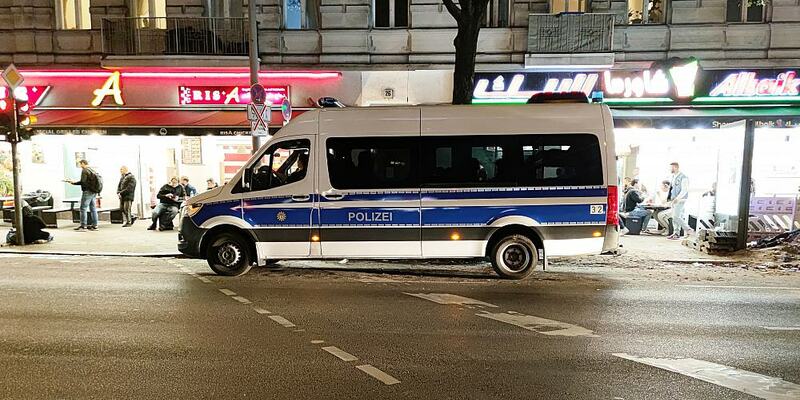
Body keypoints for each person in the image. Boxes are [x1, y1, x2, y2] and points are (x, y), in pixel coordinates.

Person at [66, 159, 101, 232]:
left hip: (87, 191)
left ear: (83, 163)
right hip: (94, 192)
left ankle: (83, 226)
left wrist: (73, 183)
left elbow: (83, 182)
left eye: (80, 164)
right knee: (93, 209)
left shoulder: (85, 170)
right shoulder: (92, 170)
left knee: (83, 208)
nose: (80, 166)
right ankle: (95, 226)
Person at [667, 162, 692, 240]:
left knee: (676, 216)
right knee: (674, 217)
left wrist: (678, 198)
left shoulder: (683, 177)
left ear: (675, 167)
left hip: (680, 199)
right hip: (674, 199)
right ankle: (676, 233)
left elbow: (684, 189)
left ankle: (688, 229)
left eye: (671, 167)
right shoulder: (674, 176)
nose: (670, 169)